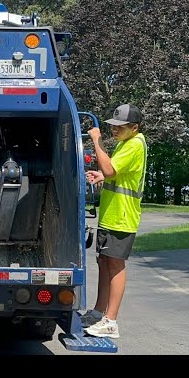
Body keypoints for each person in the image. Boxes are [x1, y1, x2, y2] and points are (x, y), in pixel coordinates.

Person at [81, 103, 147, 339]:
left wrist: (97, 142)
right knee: (104, 262)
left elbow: (109, 170)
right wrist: (101, 175)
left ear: (134, 127)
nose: (115, 130)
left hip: (122, 217)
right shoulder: (124, 144)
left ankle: (110, 321)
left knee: (115, 265)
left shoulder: (135, 144)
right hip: (111, 215)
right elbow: (114, 173)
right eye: (113, 126)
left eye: (120, 127)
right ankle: (99, 312)